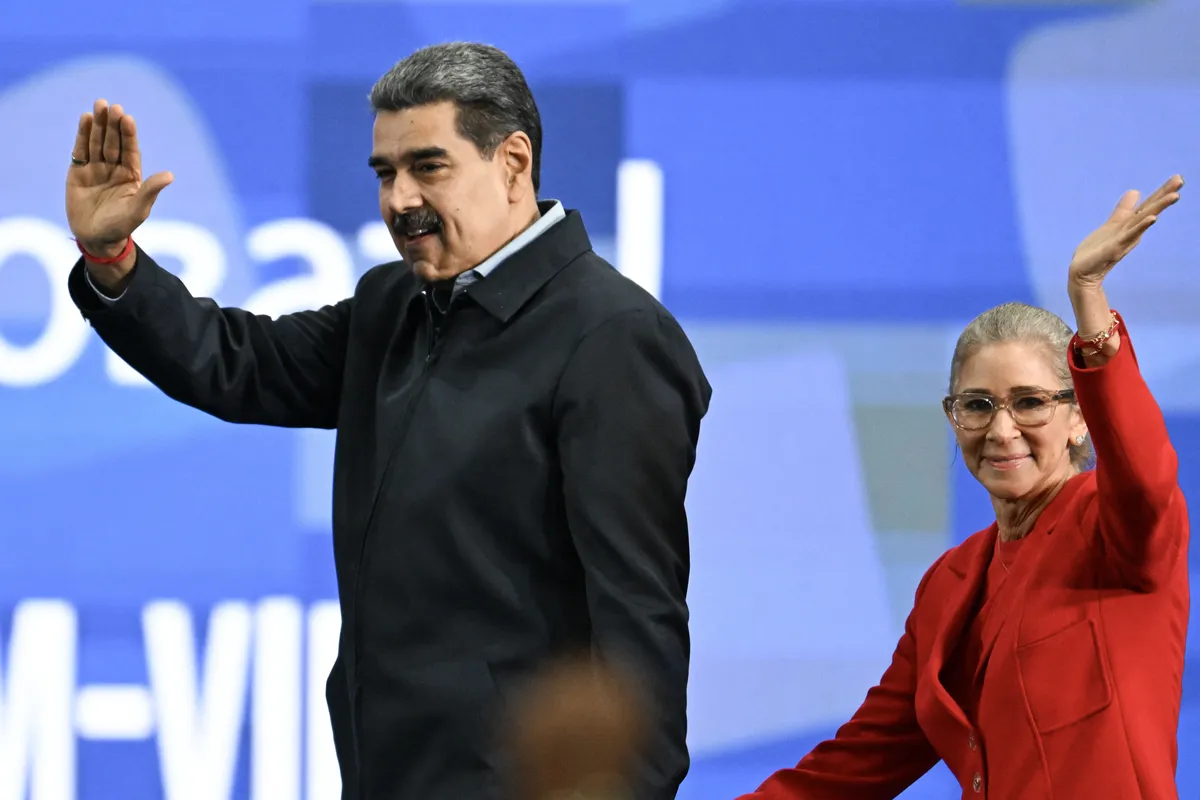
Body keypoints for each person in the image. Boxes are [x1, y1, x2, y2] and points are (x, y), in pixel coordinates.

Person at [63, 42, 710, 800]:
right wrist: (112, 258)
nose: (400, 200)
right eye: (385, 173)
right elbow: (240, 364)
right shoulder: (393, 304)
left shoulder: (612, 337)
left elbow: (638, 625)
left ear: (512, 162)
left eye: (428, 167)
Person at [737, 175, 1190, 799]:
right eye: (978, 405)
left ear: (1079, 416)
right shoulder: (948, 584)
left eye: (1030, 402)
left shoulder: (1115, 531)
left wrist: (1089, 304)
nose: (1002, 430)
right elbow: (853, 766)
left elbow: (1145, 478)